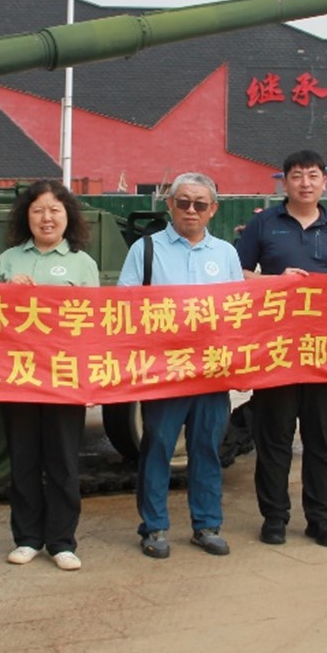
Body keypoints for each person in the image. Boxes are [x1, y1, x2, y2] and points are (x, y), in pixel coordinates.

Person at [234, 150, 327, 547]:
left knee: (323, 440)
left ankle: (320, 518)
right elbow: (236, 275)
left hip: (323, 352)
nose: (305, 183)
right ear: (285, 182)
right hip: (276, 350)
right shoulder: (263, 224)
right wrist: (275, 281)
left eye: (312, 175)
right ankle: (274, 518)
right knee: (274, 438)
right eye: (297, 176)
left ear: (324, 182)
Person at [119, 171, 245, 559]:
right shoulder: (146, 249)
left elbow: (238, 311)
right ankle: (154, 527)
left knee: (206, 448)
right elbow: (125, 307)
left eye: (200, 204)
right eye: (184, 202)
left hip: (211, 372)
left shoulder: (226, 253)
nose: (192, 210)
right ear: (170, 204)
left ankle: (206, 525)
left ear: (213, 210)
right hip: (164, 371)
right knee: (157, 446)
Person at [0, 181, 100, 571]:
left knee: (63, 461)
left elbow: (93, 324)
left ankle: (61, 541)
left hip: (64, 378)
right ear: (26, 216)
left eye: (55, 210)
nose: (46, 218)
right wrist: (7, 291)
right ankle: (26, 538)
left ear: (67, 216)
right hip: (19, 376)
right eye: (38, 210)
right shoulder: (7, 260)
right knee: (23, 460)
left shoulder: (82, 264)